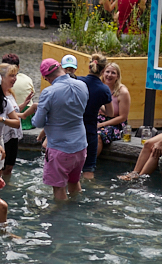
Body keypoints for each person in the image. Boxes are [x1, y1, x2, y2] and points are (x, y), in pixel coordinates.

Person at [33, 58, 89, 200]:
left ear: (46, 77)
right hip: (80, 146)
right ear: (61, 68)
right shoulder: (82, 85)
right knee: (74, 182)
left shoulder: (49, 92)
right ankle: (77, 207)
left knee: (59, 188)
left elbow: (38, 122)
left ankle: (62, 214)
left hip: (60, 148)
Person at [78, 53, 114, 179]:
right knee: (88, 170)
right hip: (90, 132)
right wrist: (99, 105)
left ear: (89, 67)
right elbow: (110, 113)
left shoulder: (77, 81)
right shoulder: (104, 89)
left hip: (73, 129)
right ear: (103, 71)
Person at [97, 61, 131, 146]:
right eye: (107, 72)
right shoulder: (99, 87)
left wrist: (102, 124)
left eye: (113, 73)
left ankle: (92, 155)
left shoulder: (123, 92)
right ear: (103, 73)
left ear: (117, 76)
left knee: (98, 136)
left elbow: (123, 117)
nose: (109, 75)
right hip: (99, 119)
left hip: (115, 124)